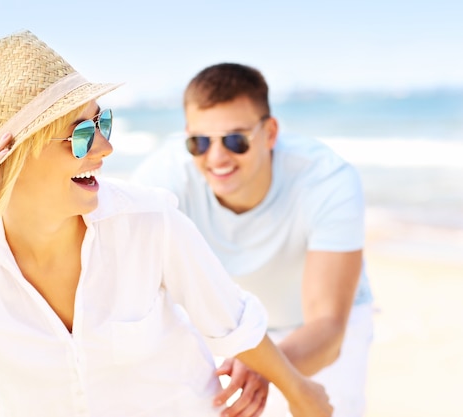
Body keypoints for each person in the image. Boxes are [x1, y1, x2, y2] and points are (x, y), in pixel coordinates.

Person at [0, 32, 332, 417]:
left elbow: (233, 325)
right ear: (11, 160)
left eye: (103, 122)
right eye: (79, 136)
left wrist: (300, 391)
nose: (104, 148)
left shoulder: (148, 221)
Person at [131, 63, 374, 417]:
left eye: (235, 140)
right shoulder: (163, 178)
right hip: (231, 323)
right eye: (199, 142)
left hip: (319, 326)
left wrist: (268, 365)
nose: (216, 158)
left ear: (270, 133)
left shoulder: (327, 180)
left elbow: (328, 326)